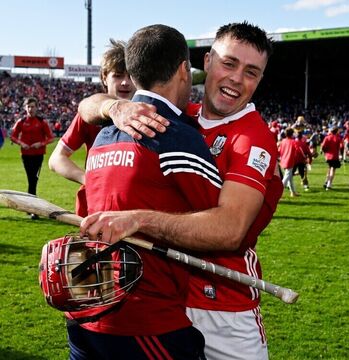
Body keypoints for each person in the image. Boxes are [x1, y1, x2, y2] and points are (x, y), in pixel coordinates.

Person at [78, 22, 281, 360]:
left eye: (251, 72)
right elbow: (85, 108)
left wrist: (138, 220)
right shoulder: (174, 116)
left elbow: (230, 231)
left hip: (223, 308)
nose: (236, 78)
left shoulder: (252, 138)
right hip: (166, 300)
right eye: (229, 64)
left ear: (260, 80)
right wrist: (115, 107)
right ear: (207, 62)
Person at [67, 24, 220, 359]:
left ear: (134, 74)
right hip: (144, 322)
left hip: (86, 315)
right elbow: (220, 230)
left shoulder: (104, 137)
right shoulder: (174, 134)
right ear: (183, 69)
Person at [48, 39, 135, 216]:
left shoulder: (149, 111)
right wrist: (88, 178)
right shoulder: (89, 114)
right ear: (104, 77)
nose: (125, 82)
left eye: (131, 76)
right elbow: (56, 158)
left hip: (134, 209)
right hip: (93, 209)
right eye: (118, 75)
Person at [10, 97, 55, 217]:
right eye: (29, 106)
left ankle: (31, 209)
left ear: (37, 107)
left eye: (33, 106)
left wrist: (40, 143)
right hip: (25, 155)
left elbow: (51, 138)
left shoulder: (42, 122)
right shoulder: (21, 121)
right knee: (32, 180)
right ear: (25, 108)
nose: (31, 109)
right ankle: (32, 209)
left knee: (33, 181)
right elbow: (13, 136)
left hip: (38, 155)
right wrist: (21, 143)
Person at [279, 127, 301, 197]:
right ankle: (278, 194)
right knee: (286, 177)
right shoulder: (294, 141)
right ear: (292, 134)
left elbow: (279, 150)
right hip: (290, 161)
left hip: (283, 160)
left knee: (290, 177)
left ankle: (293, 192)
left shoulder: (283, 141)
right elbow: (298, 151)